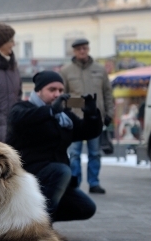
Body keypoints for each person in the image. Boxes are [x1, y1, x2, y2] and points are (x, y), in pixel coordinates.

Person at [6, 71, 101, 229]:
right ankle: (42, 229)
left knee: (86, 207)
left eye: (60, 90)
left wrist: (92, 115)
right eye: (52, 90)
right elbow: (17, 120)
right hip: (27, 175)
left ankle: (30, 220)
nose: (57, 94)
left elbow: (86, 132)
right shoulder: (23, 107)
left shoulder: (63, 116)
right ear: (38, 91)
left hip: (54, 178)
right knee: (61, 171)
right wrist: (50, 111)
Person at [61, 38, 113, 194]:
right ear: (74, 52)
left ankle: (94, 183)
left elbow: (107, 93)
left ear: (88, 49)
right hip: (75, 119)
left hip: (95, 119)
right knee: (75, 153)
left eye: (84, 48)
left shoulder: (100, 69)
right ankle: (75, 183)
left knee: (95, 153)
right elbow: (63, 96)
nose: (82, 51)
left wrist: (109, 112)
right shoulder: (66, 71)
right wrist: (81, 106)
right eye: (78, 49)